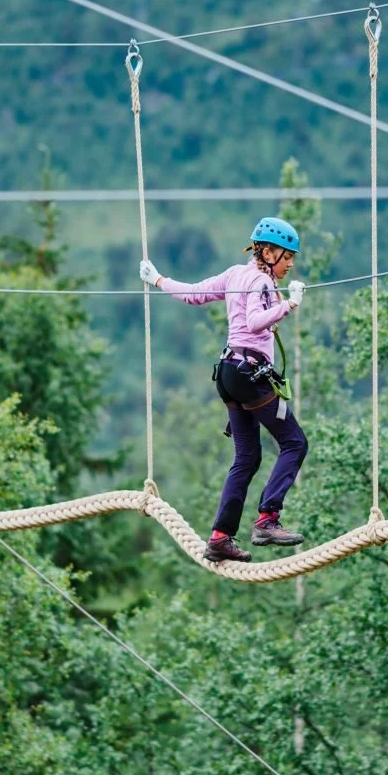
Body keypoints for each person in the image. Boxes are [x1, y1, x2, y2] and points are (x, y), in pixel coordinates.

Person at [141, 217, 309, 563]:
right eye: (287, 256)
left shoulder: (235, 275)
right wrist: (289, 305)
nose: (290, 264)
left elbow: (194, 294)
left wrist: (158, 279)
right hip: (249, 374)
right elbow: (255, 322)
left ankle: (220, 538)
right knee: (295, 442)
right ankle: (267, 519)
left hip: (229, 374)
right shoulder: (262, 281)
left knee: (247, 457)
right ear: (268, 253)